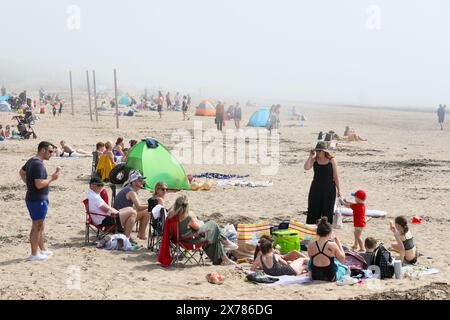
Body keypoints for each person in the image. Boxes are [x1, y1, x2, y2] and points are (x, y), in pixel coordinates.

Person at [19, 141, 61, 261]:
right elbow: (39, 184)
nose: (51, 154)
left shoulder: (32, 160)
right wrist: (52, 178)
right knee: (36, 227)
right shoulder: (38, 165)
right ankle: (34, 254)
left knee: (40, 226)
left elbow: (22, 172)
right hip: (37, 199)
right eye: (50, 151)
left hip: (35, 198)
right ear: (43, 150)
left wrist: (29, 184)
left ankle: (42, 249)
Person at [168, 195, 238, 265]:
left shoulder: (171, 216)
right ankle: (226, 242)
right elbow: (199, 229)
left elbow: (172, 210)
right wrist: (199, 222)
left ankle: (223, 259)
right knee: (213, 224)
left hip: (180, 241)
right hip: (191, 243)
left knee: (215, 234)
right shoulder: (188, 218)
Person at [304, 141, 342, 224]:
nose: (317, 152)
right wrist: (310, 156)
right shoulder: (314, 160)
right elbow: (306, 167)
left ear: (324, 151)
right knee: (313, 209)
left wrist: (339, 190)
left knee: (327, 210)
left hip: (329, 189)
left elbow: (336, 176)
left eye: (319, 151)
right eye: (316, 150)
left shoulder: (331, 160)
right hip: (316, 188)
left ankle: (326, 231)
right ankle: (312, 229)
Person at [307, 217, 349, 282]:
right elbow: (342, 259)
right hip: (330, 277)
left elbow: (311, 257)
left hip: (315, 276)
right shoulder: (332, 244)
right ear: (329, 233)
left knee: (311, 261)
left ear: (318, 232)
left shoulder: (311, 243)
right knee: (345, 268)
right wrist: (338, 242)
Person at [113, 173, 149, 240]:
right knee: (147, 212)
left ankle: (140, 233)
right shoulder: (131, 191)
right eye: (140, 180)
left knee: (144, 210)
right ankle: (142, 234)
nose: (142, 182)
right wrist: (151, 205)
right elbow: (139, 207)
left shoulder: (128, 188)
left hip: (118, 215)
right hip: (120, 218)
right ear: (134, 181)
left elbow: (137, 206)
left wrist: (148, 204)